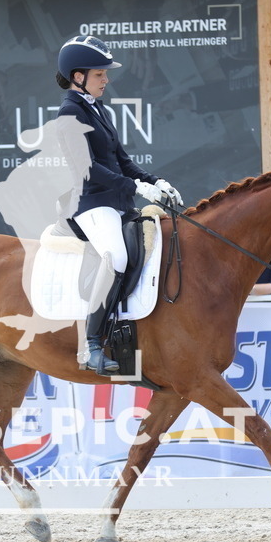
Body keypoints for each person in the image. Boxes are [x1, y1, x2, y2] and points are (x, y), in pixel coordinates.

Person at [55, 35, 183, 375]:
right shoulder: (69, 113)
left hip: (119, 202)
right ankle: (91, 345)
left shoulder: (98, 109)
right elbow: (88, 168)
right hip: (93, 204)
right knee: (118, 257)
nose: (106, 79)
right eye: (100, 74)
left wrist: (154, 181)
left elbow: (121, 160)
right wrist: (135, 187)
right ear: (78, 76)